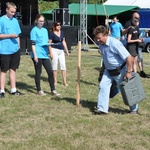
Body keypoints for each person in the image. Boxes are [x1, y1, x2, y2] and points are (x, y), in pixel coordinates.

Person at [93, 25, 139, 114]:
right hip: (108, 71)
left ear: (106, 35)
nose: (98, 40)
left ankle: (134, 109)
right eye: (96, 38)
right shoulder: (101, 45)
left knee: (126, 90)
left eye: (99, 38)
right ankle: (102, 109)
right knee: (103, 87)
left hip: (120, 71)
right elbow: (105, 57)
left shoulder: (115, 43)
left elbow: (128, 57)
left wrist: (128, 72)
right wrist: (102, 70)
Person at [30, 14, 60, 96]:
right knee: (38, 72)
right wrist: (35, 55)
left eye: (43, 21)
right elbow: (33, 44)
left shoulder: (45, 31)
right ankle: (39, 90)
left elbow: (47, 43)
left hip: (44, 54)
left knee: (50, 72)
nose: (41, 23)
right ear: (36, 21)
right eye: (40, 21)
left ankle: (53, 90)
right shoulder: (34, 30)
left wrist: (50, 52)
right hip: (37, 54)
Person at [0, 2, 23, 98]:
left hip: (15, 50)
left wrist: (18, 46)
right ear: (7, 10)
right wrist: (9, 35)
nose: (13, 14)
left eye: (14, 12)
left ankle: (13, 89)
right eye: (11, 12)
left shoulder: (15, 21)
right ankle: (1, 91)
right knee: (4, 70)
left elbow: (18, 35)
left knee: (13, 69)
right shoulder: (1, 20)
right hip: (4, 50)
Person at [123, 12, 147, 77]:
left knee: (135, 61)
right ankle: (129, 74)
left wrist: (140, 39)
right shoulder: (130, 28)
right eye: (137, 20)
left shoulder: (136, 28)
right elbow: (128, 40)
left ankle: (136, 75)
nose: (138, 22)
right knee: (131, 62)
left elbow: (137, 36)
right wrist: (137, 40)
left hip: (136, 45)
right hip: (131, 47)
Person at [49, 21, 69, 86]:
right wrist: (50, 53)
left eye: (60, 25)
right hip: (54, 50)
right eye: (57, 25)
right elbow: (49, 44)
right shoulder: (52, 33)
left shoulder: (62, 32)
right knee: (54, 66)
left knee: (63, 65)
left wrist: (66, 51)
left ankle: (65, 81)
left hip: (61, 51)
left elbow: (64, 42)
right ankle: (55, 81)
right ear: (55, 26)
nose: (59, 26)